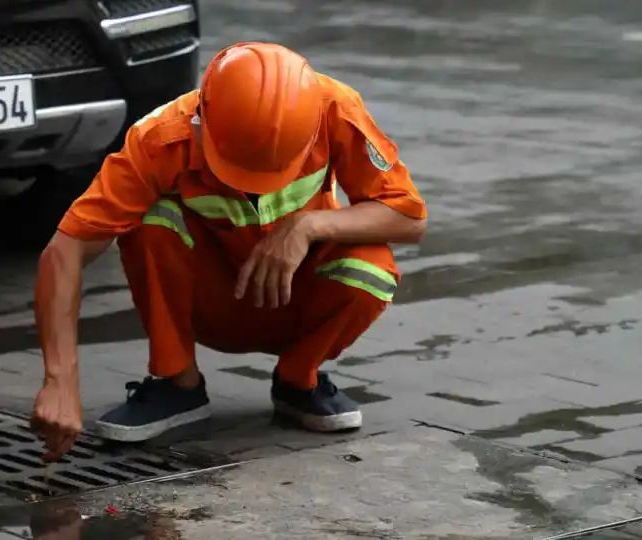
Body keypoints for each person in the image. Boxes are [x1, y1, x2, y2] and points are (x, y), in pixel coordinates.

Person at [30, 42, 427, 461]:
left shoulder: (335, 109)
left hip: (298, 299)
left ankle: (298, 379)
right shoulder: (159, 139)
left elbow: (409, 218)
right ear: (200, 121)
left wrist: (308, 226)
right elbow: (66, 248)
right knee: (150, 220)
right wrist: (60, 380)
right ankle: (176, 382)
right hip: (211, 302)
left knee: (371, 265)